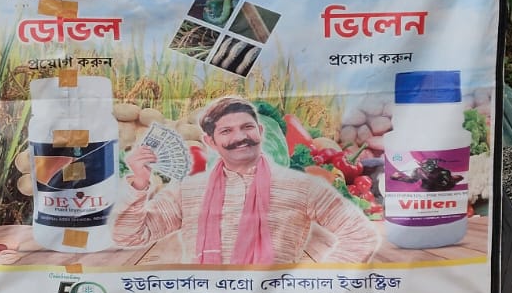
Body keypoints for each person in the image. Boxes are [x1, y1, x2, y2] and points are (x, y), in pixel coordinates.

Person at [113, 95, 379, 266]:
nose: (240, 137)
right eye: (226, 131)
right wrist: (139, 183)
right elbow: (130, 235)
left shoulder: (302, 187)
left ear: (260, 132)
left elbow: (360, 235)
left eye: (247, 127)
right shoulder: (187, 190)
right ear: (210, 142)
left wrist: (319, 287)